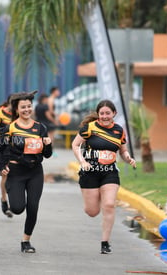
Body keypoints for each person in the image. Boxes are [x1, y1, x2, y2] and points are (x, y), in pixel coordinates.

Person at [71, 99, 136, 254]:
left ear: (114, 113)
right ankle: (96, 196)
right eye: (102, 113)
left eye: (108, 113)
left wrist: (128, 158)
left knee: (108, 205)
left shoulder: (119, 130)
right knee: (92, 211)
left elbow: (122, 150)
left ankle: (105, 242)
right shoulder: (90, 128)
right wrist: (82, 161)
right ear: (98, 114)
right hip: (90, 172)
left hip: (110, 172)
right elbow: (75, 145)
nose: (105, 116)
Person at [0, 91, 52, 253]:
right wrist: (2, 167)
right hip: (16, 172)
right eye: (23, 107)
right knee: (18, 208)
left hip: (35, 171)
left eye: (29, 106)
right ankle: (9, 196)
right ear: (17, 109)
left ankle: (26, 241)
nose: (27, 109)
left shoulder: (41, 128)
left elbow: (46, 154)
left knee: (33, 207)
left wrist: (48, 144)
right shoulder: (9, 129)